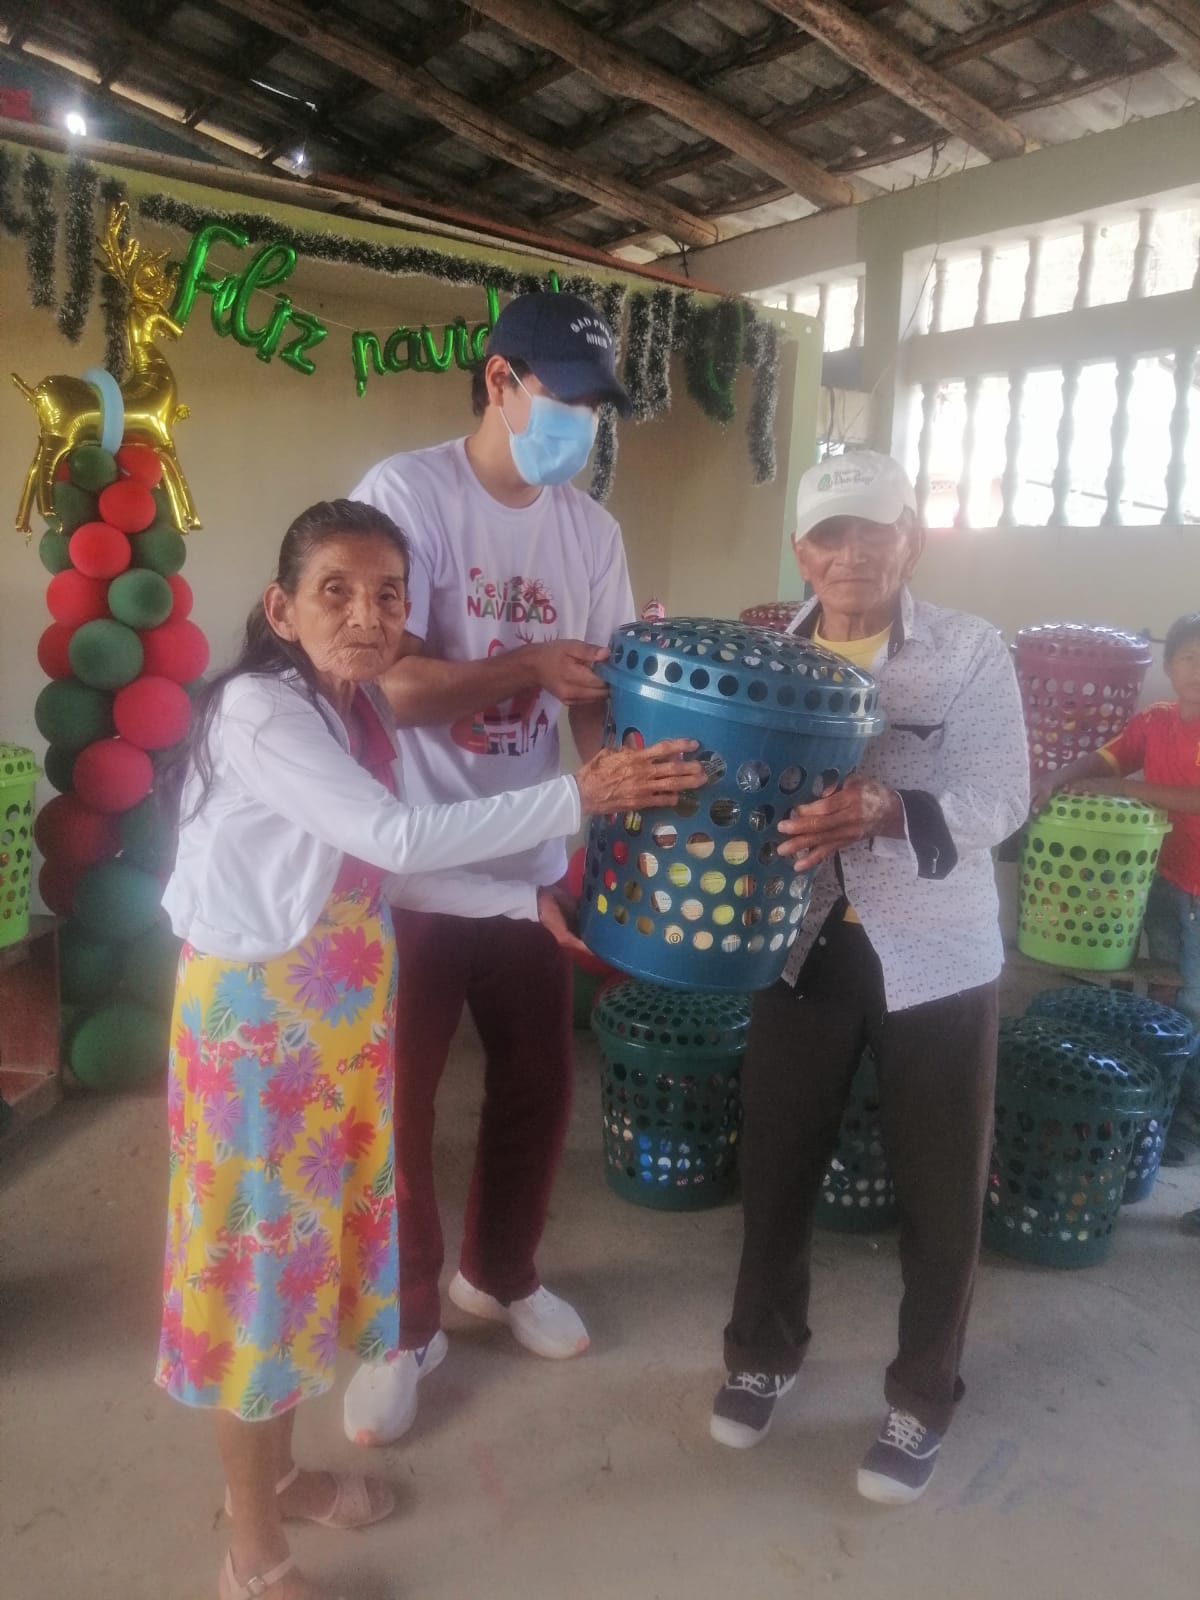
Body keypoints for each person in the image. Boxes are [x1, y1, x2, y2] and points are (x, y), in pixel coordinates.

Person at [155, 498, 701, 1600]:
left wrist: (519, 904)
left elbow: (385, 872)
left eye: (388, 594)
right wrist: (579, 794)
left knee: (301, 1269)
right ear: (281, 609)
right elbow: (395, 834)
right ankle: (251, 1553)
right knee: (259, 1285)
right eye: (336, 592)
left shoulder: (353, 709)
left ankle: (282, 1477)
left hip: (331, 1023)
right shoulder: (263, 711)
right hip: (260, 1038)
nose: (366, 615)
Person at [342, 291, 637, 1447]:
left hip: (528, 865)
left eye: (596, 407)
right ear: (501, 379)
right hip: (411, 865)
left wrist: (618, 791)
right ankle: (405, 1323)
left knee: (538, 1083)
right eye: (566, 397)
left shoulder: (591, 534)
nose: (581, 426)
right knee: (397, 1105)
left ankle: (498, 1274)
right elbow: (393, 685)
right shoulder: (408, 495)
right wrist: (523, 664)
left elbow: (598, 701)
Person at [709, 451, 1029, 1505]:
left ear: (911, 540)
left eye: (873, 531)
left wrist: (890, 809)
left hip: (935, 951)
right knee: (777, 1158)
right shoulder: (770, 656)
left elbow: (1002, 795)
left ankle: (922, 1395)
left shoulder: (970, 651)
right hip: (801, 945)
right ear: (801, 552)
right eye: (828, 536)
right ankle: (762, 1352)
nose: (850, 554)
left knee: (940, 1183)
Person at [1033, 612, 1200, 1175]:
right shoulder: (1155, 721)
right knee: (1164, 996)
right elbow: (1108, 758)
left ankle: (1188, 1119)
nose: (1199, 671)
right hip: (1163, 880)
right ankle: (1163, 1109)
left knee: (1195, 1005)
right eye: (1190, 659)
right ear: (1170, 666)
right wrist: (1055, 778)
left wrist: (1123, 789)